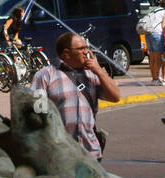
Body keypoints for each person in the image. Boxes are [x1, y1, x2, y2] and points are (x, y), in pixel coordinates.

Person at [30, 31, 121, 160]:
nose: (86, 52)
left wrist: (99, 71)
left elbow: (115, 96)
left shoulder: (92, 74)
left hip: (90, 152)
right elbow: (37, 115)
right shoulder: (45, 76)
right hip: (60, 154)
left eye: (86, 48)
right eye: (81, 49)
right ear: (66, 53)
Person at [139, 0, 165, 85]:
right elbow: (164, 26)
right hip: (157, 34)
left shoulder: (154, 10)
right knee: (158, 59)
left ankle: (154, 79)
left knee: (152, 58)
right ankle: (157, 79)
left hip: (148, 34)